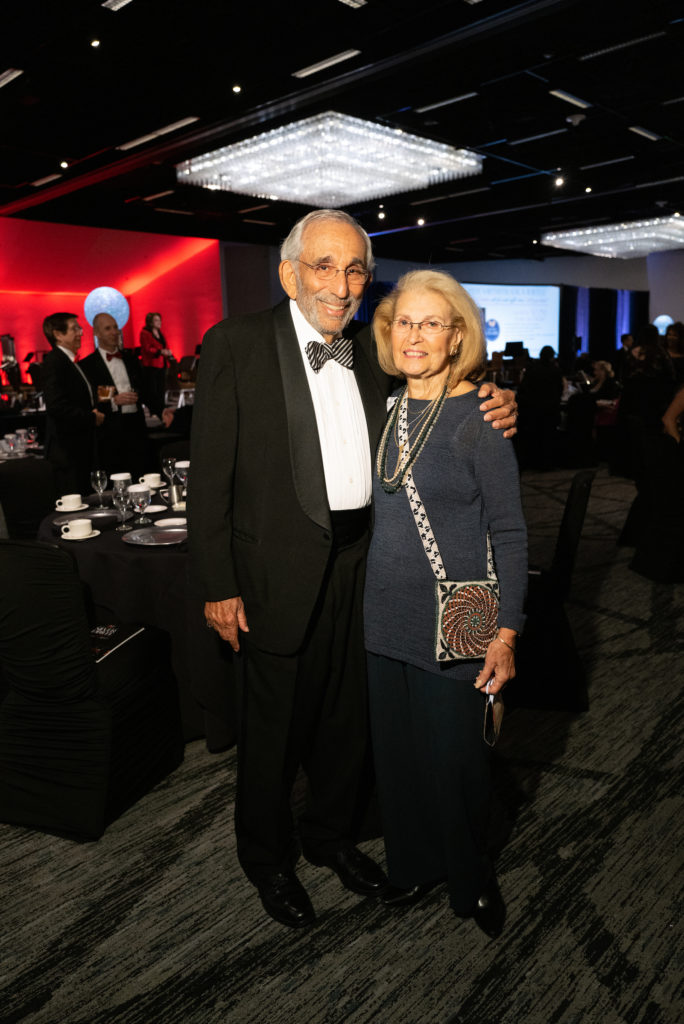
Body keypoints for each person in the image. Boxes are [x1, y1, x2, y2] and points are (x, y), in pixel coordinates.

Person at [188, 209, 518, 931]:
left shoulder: (373, 351)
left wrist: (496, 398)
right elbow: (207, 480)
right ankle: (266, 858)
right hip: (272, 573)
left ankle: (330, 836)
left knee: (346, 724)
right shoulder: (236, 345)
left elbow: (444, 390)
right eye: (323, 267)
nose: (340, 285)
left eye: (355, 269)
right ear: (289, 273)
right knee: (272, 732)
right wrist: (217, 583)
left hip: (367, 567)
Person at [363, 269, 527, 939]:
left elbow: (511, 534)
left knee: (456, 761)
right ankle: (413, 864)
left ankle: (470, 874)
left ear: (458, 334)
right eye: (405, 322)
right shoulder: (385, 407)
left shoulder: (481, 420)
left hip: (455, 620)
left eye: (432, 323)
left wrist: (508, 634)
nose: (416, 335)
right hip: (382, 617)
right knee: (398, 760)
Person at [42, 312, 104, 494]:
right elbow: (56, 406)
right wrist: (91, 417)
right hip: (67, 450)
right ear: (58, 335)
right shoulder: (54, 362)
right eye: (74, 328)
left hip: (79, 447)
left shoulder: (70, 361)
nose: (81, 333)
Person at [80, 312, 148, 477]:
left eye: (116, 327)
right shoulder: (87, 365)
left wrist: (161, 410)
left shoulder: (131, 359)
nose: (114, 332)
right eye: (108, 328)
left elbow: (146, 389)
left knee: (142, 475)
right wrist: (113, 401)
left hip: (136, 427)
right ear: (97, 333)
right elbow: (88, 401)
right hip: (110, 432)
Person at [139, 312, 172, 417]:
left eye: (159, 320)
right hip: (151, 365)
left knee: (161, 390)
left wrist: (167, 351)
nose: (159, 322)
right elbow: (147, 348)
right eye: (156, 320)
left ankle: (162, 412)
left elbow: (164, 345)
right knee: (153, 391)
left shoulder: (159, 332)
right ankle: (155, 412)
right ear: (150, 322)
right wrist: (160, 351)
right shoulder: (145, 333)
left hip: (162, 364)